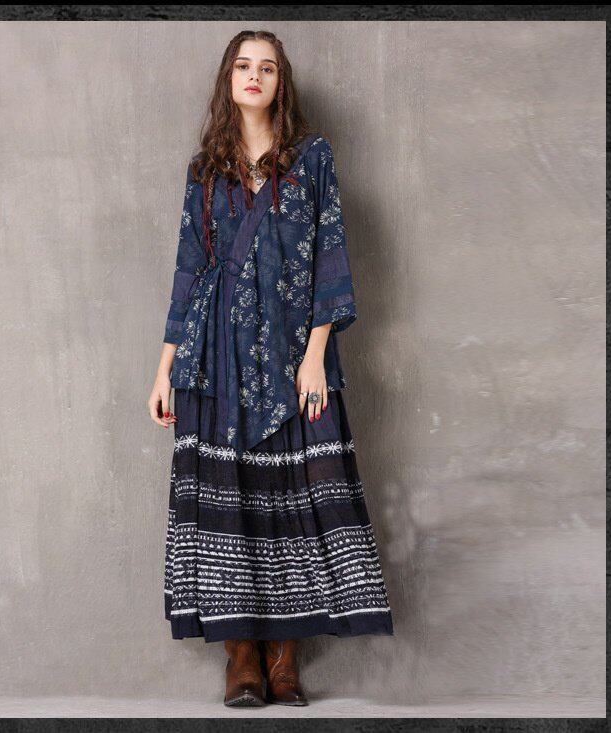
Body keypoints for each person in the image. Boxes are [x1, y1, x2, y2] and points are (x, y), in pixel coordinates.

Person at [148, 29, 393, 707]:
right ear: (228, 80)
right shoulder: (204, 170)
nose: (254, 76)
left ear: (281, 83)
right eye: (243, 66)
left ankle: (285, 658)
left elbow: (330, 255)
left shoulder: (312, 159)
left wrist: (315, 356)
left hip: (292, 356)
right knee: (229, 502)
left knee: (293, 500)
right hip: (215, 359)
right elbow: (188, 272)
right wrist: (165, 369)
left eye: (267, 68)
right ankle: (242, 658)